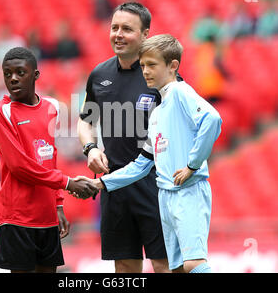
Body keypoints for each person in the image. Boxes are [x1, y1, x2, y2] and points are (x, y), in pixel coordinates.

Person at [92, 34, 222, 273]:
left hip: (188, 191)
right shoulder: (157, 113)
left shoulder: (180, 92)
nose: (145, 71)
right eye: (142, 66)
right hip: (165, 195)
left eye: (152, 65)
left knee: (194, 263)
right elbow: (142, 164)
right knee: (177, 268)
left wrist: (192, 165)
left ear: (173, 66)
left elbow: (212, 119)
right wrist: (101, 184)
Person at [77, 2, 171, 273]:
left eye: (127, 29)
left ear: (145, 34)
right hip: (114, 184)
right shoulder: (99, 75)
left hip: (156, 183)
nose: (118, 34)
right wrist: (91, 148)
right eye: (114, 27)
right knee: (125, 267)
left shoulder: (162, 74)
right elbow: (85, 121)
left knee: (164, 265)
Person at [0, 47, 97, 273]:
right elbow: (19, 167)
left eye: (20, 72)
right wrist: (67, 183)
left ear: (36, 75)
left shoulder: (52, 107)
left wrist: (58, 204)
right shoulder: (2, 112)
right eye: (7, 74)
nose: (13, 78)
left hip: (47, 215)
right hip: (17, 216)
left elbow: (50, 157)